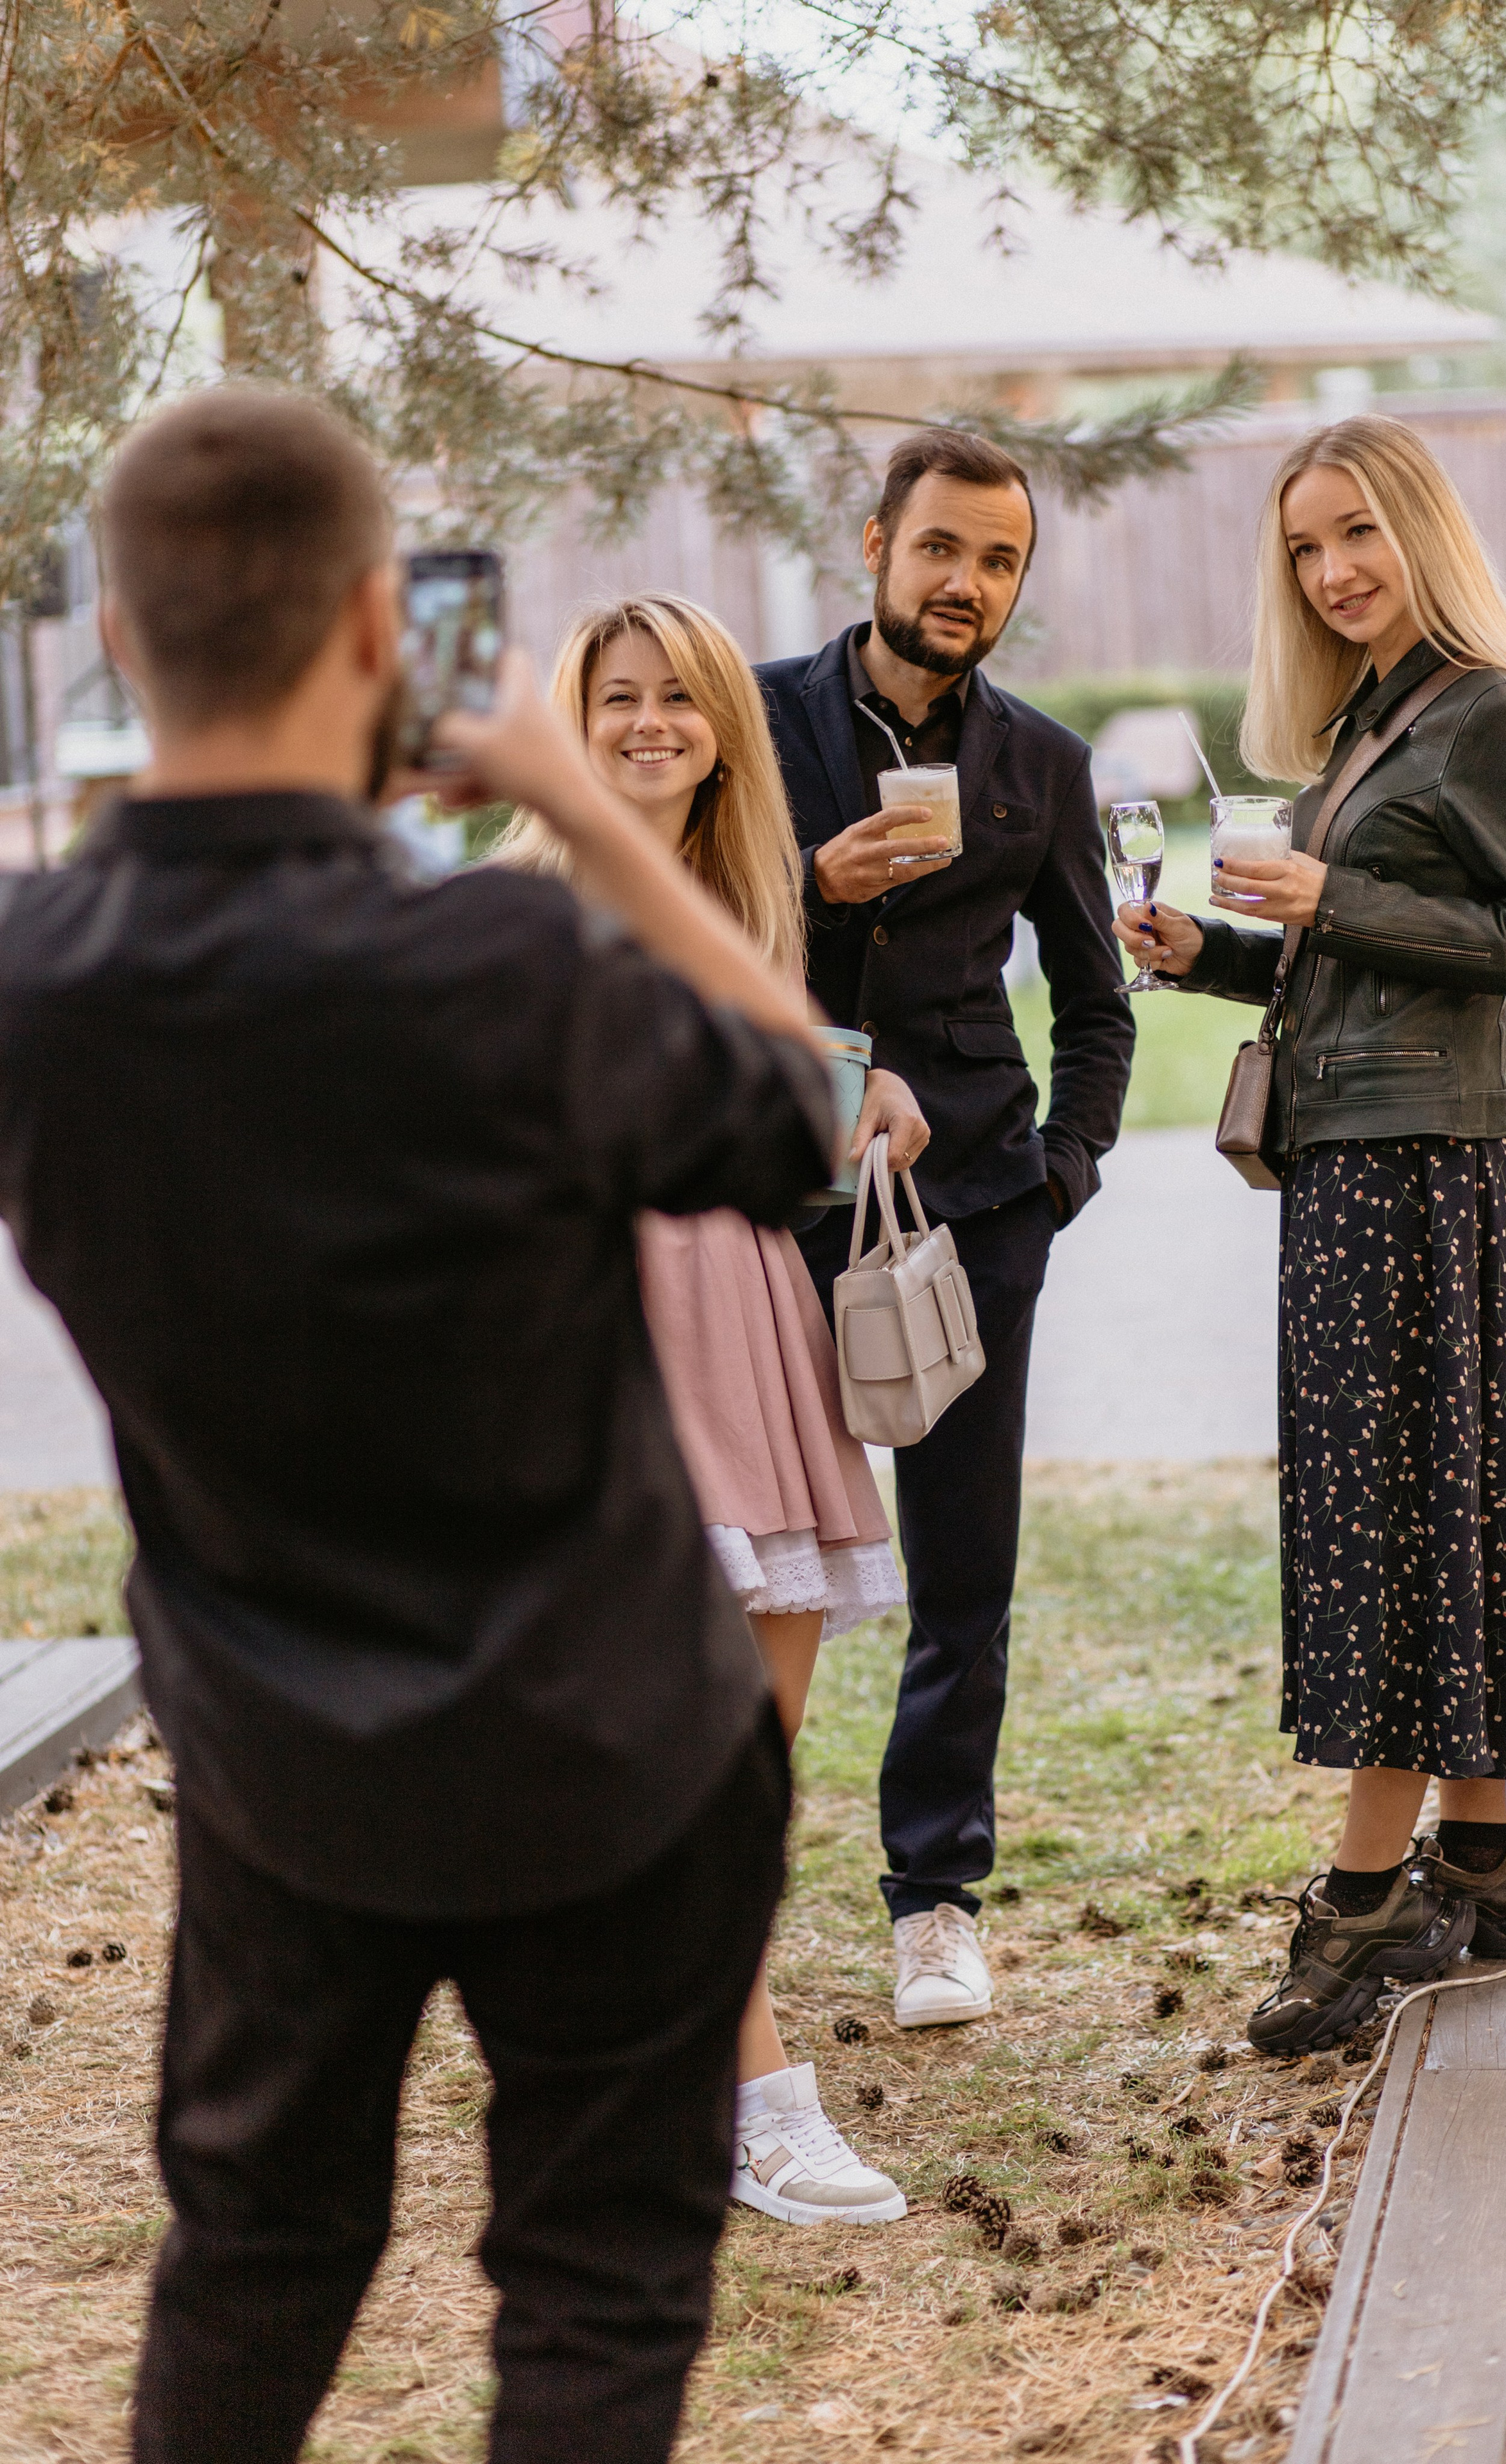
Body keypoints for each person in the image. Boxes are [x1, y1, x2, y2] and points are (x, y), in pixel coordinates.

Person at [0, 387, 839, 2464]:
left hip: (280, 1765)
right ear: (386, 629)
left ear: (124, 637)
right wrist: (585, 812)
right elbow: (796, 1108)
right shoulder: (511, 954)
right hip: (614, 1743)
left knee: (252, 2262)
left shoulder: (37, 987)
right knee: (595, 2292)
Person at [1114, 413, 1506, 2054]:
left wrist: (1327, 896)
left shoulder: (1489, 707)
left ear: (1418, 530)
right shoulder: (1365, 718)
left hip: (1423, 1172)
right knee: (1417, 1511)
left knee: (1395, 1522)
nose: (1331, 569)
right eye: (1303, 546)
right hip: (1355, 1169)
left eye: (1355, 532)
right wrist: (1207, 949)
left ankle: (1362, 1906)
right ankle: (1479, 1868)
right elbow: (1338, 964)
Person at [500, 590, 925, 2224]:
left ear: (724, 732)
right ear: (572, 718)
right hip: (603, 1330)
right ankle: (751, 2100)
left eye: (679, 697)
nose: (648, 724)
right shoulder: (523, 902)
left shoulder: (748, 898)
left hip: (745, 1319)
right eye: (617, 697)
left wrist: (861, 1088)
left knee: (748, 1756)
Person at [757, 429, 1136, 2028]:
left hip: (975, 1206)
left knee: (961, 1576)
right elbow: (677, 924)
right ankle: (703, 1889)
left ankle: (934, 1903)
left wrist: (1060, 1175)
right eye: (939, 549)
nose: (965, 582)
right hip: (771, 1203)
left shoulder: (1038, 762)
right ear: (874, 545)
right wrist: (818, 883)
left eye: (997, 561)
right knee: (752, 1566)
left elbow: (1095, 1000)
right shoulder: (753, 719)